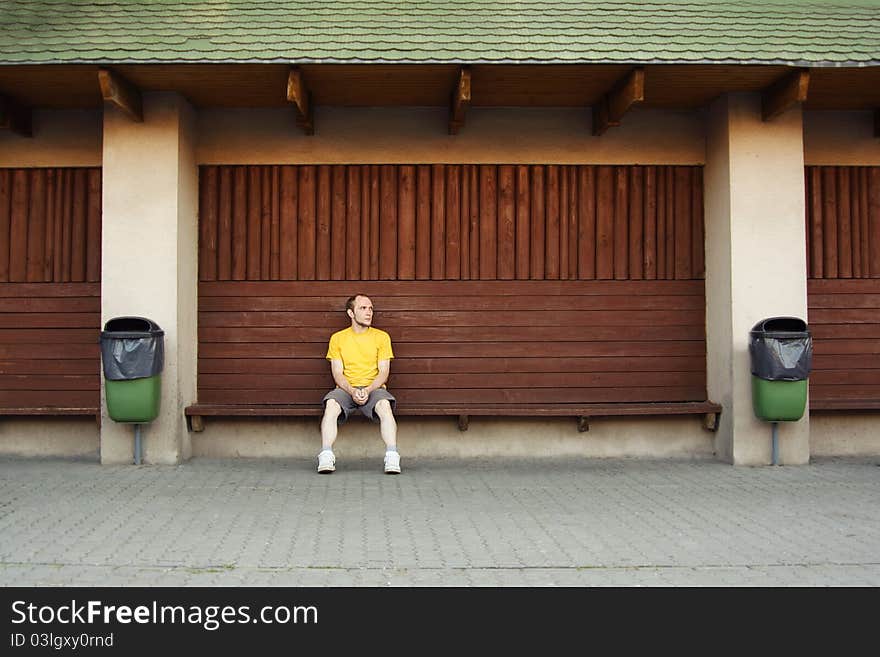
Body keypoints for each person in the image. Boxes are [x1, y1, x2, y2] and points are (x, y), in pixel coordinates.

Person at [317, 294, 400, 474]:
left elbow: (384, 372)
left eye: (370, 308)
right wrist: (352, 390)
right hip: (346, 389)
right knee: (331, 405)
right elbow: (337, 373)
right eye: (363, 308)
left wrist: (368, 389)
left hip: (375, 387)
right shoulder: (338, 338)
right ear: (350, 313)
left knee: (384, 406)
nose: (369, 312)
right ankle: (326, 455)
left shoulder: (382, 337)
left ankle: (392, 456)